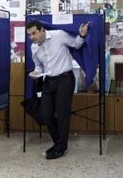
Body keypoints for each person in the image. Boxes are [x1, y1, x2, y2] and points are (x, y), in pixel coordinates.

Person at [26, 20, 89, 159]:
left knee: (62, 115)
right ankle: (59, 144)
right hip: (48, 80)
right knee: (46, 114)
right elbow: (38, 65)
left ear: (42, 30)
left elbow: (76, 44)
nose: (32, 37)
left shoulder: (58, 35)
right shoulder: (34, 47)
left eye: (34, 33)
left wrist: (82, 35)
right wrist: (35, 72)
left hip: (65, 79)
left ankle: (60, 148)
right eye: (29, 35)